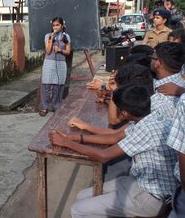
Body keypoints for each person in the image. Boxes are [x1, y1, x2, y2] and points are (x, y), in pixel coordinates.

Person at [49, 84, 178, 217]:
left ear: (125, 113)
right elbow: (113, 137)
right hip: (141, 183)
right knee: (81, 195)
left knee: (78, 209)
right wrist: (71, 138)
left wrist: (65, 143)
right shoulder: (150, 118)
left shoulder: (145, 129)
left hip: (152, 198)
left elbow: (103, 155)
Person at [39, 17, 71, 117]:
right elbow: (48, 51)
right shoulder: (48, 36)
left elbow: (68, 52)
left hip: (61, 64)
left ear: (62, 26)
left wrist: (60, 50)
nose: (55, 27)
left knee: (59, 86)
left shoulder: (66, 37)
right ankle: (45, 107)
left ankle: (57, 105)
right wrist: (51, 40)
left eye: (57, 25)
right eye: (53, 25)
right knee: (46, 86)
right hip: (49, 63)